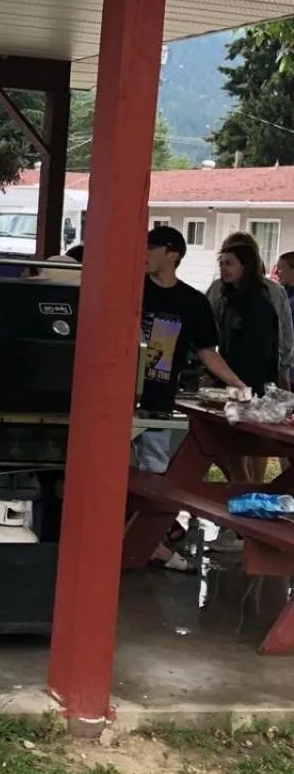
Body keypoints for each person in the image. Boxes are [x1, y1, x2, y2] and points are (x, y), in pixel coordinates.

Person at [135, 225, 247, 569]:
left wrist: (239, 385)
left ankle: (149, 543)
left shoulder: (192, 302)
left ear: (173, 254)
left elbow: (206, 352)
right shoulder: (131, 289)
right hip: (116, 398)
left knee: (153, 473)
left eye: (151, 247)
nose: (144, 252)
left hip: (158, 400)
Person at [205, 230, 293, 387]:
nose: (224, 268)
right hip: (230, 376)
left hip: (252, 380)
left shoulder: (262, 299)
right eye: (222, 263)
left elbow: (278, 340)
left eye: (229, 262)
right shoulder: (226, 291)